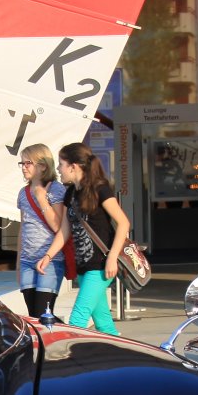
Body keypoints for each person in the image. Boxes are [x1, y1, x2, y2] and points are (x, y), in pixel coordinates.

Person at [38, 142, 130, 336]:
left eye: (61, 164)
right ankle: (119, 352)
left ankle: (70, 354)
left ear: (73, 166)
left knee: (77, 320)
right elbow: (64, 230)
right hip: (83, 266)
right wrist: (48, 256)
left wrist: (112, 258)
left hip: (101, 266)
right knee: (104, 325)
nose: (59, 169)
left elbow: (123, 223)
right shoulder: (71, 193)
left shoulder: (100, 189)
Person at [15, 143, 67, 320]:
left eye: (28, 163)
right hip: (27, 261)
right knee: (34, 316)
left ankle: (62, 331)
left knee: (42, 313)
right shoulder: (23, 193)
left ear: (43, 166)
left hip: (50, 260)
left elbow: (58, 226)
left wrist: (41, 198)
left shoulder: (56, 189)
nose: (24, 167)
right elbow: (23, 227)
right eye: (22, 163)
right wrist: (18, 263)